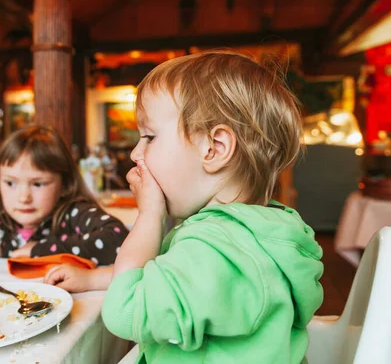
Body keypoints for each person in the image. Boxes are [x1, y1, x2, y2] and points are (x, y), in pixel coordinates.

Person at [101, 51, 324, 363]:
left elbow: (123, 310)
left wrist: (149, 215)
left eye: (149, 137)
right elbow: (165, 276)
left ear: (215, 149)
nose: (137, 152)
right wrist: (92, 278)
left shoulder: (212, 249)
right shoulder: (255, 236)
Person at [0, 125, 129, 264]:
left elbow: (118, 237)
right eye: (10, 183)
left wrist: (40, 250)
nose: (23, 198)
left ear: (65, 184)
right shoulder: (1, 217)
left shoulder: (74, 213)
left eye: (38, 184)